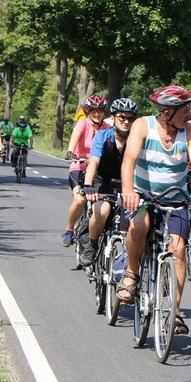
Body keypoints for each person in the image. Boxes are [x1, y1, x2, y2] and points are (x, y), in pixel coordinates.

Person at [118, 85, 191, 336]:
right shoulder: (142, 125)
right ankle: (131, 272)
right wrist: (128, 191)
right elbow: (129, 160)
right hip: (142, 195)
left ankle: (175, 310)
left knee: (178, 251)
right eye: (183, 109)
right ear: (166, 112)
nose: (188, 113)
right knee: (139, 227)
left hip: (177, 199)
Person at [79, 98, 138, 264]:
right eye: (122, 117)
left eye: (130, 118)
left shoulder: (137, 139)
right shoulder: (103, 136)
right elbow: (94, 161)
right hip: (102, 181)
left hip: (127, 184)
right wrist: (88, 186)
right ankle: (92, 245)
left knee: (134, 220)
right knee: (102, 210)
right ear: (113, 118)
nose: (126, 121)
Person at [61, 95, 109, 247]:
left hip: (97, 171)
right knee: (79, 200)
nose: (97, 113)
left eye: (100, 110)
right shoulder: (83, 124)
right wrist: (70, 151)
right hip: (79, 167)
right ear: (88, 111)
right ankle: (69, 230)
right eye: (93, 110)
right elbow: (75, 137)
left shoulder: (107, 128)